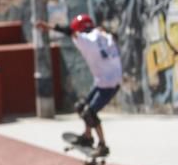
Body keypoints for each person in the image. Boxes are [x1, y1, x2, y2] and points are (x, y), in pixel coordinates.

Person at [36, 14, 121, 157]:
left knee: (90, 113)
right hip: (105, 80)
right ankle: (87, 136)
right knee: (82, 107)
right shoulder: (104, 35)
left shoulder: (85, 39)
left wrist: (47, 26)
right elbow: (114, 36)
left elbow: (69, 31)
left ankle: (102, 145)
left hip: (109, 84)